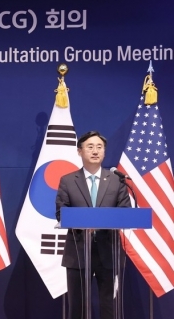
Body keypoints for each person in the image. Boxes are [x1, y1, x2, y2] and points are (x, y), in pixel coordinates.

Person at [55, 131, 130, 319]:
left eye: (99, 147)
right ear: (79, 151)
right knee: (77, 307)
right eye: (90, 147)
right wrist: (83, 224)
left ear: (104, 152)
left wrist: (101, 222)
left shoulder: (117, 180)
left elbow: (125, 211)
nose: (95, 151)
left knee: (109, 307)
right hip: (78, 251)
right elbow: (61, 212)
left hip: (109, 251)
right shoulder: (68, 180)